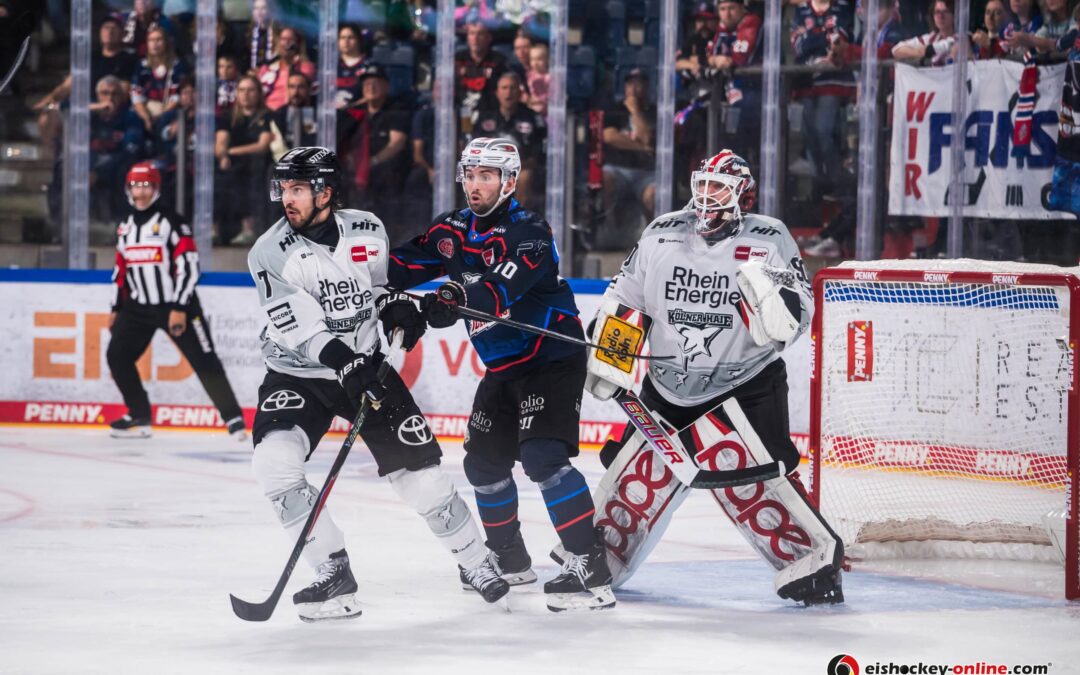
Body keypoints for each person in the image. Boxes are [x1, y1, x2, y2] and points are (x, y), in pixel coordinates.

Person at [245, 146, 509, 622]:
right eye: (284, 188)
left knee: (420, 476)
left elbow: (380, 291)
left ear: (326, 192)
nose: (288, 198)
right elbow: (302, 329)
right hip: (300, 373)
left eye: (299, 189)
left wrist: (397, 309)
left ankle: (475, 561)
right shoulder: (268, 251)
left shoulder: (367, 227)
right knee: (273, 462)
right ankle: (332, 570)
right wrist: (348, 364)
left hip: (368, 367)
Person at [582, 150, 845, 605]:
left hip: (745, 382)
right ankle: (596, 558)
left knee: (761, 477)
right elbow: (626, 298)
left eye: (719, 187)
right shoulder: (662, 232)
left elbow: (799, 310)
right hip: (666, 384)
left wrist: (777, 308)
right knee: (632, 475)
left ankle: (813, 567)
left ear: (743, 192)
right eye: (701, 184)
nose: (707, 196)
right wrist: (611, 355)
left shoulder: (768, 237)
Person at [386, 138, 615, 613]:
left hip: (551, 355)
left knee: (544, 459)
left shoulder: (528, 231)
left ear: (509, 181)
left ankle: (588, 564)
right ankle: (510, 557)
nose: (475, 184)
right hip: (504, 366)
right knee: (483, 465)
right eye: (469, 175)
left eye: (487, 176)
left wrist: (446, 300)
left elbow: (497, 291)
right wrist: (350, 272)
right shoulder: (451, 228)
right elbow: (400, 266)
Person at [107, 162, 246, 441]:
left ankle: (234, 420)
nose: (140, 191)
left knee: (204, 360)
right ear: (128, 188)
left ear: (156, 188)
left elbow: (189, 267)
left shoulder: (172, 221)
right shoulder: (125, 226)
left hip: (176, 305)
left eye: (146, 185)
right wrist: (116, 307)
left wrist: (180, 308)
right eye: (136, 185)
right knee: (117, 355)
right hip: (137, 307)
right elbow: (121, 270)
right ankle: (139, 415)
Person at [472, 72, 546, 210]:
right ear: (497, 93)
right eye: (504, 88)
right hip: (490, 168)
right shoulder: (485, 118)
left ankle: (515, 222)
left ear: (519, 92)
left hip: (522, 169)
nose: (508, 92)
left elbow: (538, 153)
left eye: (513, 88)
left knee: (525, 177)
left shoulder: (532, 118)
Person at [601, 68, 657, 250]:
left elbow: (647, 136)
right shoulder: (615, 109)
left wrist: (635, 111)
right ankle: (612, 231)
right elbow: (609, 136)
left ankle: (653, 241)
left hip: (645, 173)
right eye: (630, 83)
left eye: (639, 83)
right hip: (618, 169)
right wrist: (641, 147)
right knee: (605, 179)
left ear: (647, 86)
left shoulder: (653, 111)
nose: (634, 88)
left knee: (654, 194)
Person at [214, 74, 272, 245]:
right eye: (242, 90)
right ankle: (213, 230)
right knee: (218, 177)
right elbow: (220, 142)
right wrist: (223, 155)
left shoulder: (267, 116)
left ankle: (249, 230)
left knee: (245, 177)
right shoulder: (227, 117)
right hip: (234, 164)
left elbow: (262, 146)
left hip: (258, 163)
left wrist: (230, 152)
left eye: (251, 90)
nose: (246, 94)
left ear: (259, 93)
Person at [257, 27, 316, 112]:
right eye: (283, 39)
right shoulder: (267, 68)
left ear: (297, 43)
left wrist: (292, 63)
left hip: (294, 112)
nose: (286, 43)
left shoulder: (305, 67)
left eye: (290, 39)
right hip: (268, 112)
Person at [892, 0, 958, 65]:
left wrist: (923, 51)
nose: (941, 16)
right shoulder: (931, 37)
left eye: (945, 12)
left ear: (954, 15)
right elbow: (896, 49)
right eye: (937, 12)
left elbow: (931, 49)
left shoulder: (962, 38)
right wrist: (920, 52)